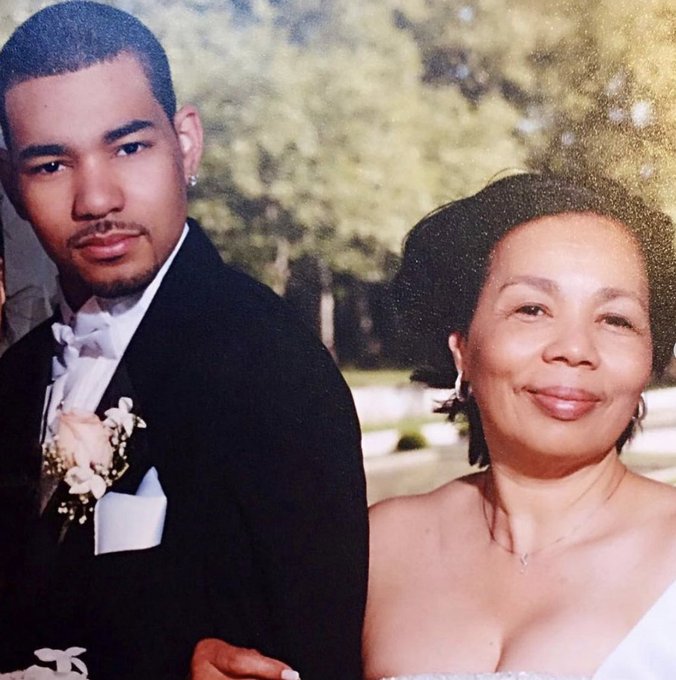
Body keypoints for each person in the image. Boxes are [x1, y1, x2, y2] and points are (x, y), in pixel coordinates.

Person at [0, 3, 367, 680]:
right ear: (12, 185)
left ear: (186, 143)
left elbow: (304, 659)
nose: (96, 199)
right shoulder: (12, 379)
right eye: (51, 164)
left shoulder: (272, 369)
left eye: (128, 147)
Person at [195, 172, 676, 680]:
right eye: (532, 309)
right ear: (462, 348)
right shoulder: (376, 547)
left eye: (616, 320)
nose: (575, 349)